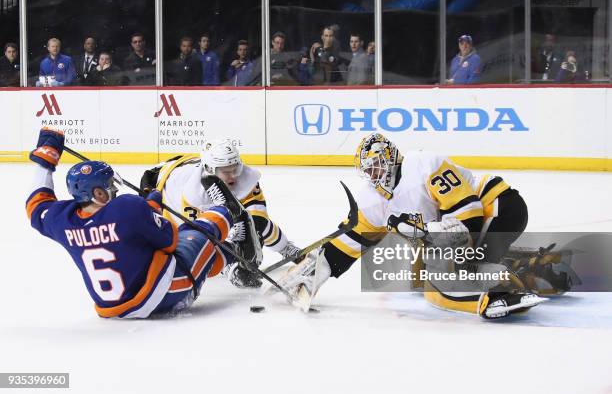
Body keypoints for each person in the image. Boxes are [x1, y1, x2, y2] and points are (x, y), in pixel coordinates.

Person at [273, 133, 547, 319]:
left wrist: (424, 235)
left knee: (440, 285)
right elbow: (349, 243)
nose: (373, 175)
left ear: (391, 157)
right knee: (421, 277)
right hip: (479, 221)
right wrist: (314, 270)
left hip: (498, 208)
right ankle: (537, 268)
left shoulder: (422, 164)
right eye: (368, 170)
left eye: (377, 166)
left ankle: (501, 295)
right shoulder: (373, 200)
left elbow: (469, 216)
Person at [26, 128, 261, 318]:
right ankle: (229, 221)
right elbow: (169, 242)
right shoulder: (127, 207)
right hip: (166, 293)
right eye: (110, 185)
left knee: (181, 245)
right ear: (98, 194)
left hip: (111, 308)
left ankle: (231, 245)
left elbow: (36, 205)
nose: (115, 189)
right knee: (195, 233)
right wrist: (150, 208)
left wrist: (44, 162)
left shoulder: (63, 220)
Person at [140, 140, 302, 268]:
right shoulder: (191, 193)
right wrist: (232, 260)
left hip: (190, 164)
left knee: (255, 224)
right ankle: (228, 267)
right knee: (189, 242)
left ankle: (286, 249)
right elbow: (200, 237)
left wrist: (254, 241)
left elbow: (259, 219)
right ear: (210, 170)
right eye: (226, 171)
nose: (233, 176)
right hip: (158, 180)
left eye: (235, 169)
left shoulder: (247, 177)